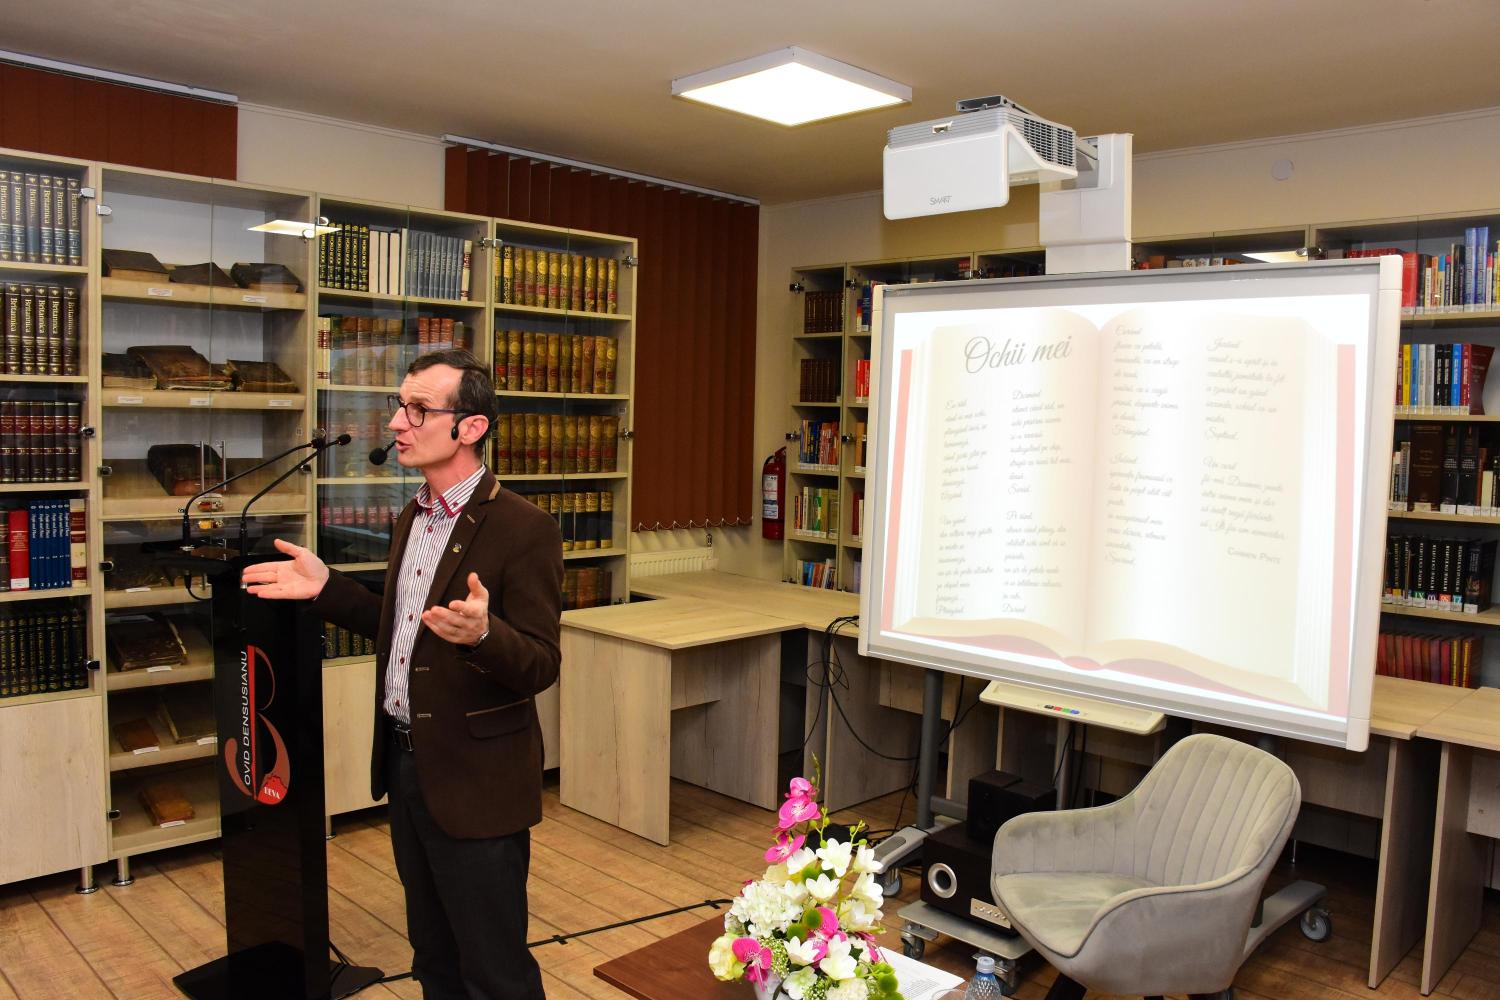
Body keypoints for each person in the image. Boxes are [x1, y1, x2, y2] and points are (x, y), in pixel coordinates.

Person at [243, 348, 562, 1000]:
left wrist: (484, 636)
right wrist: (327, 588)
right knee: (433, 958)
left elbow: (540, 663)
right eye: (400, 405)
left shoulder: (525, 529)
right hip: (406, 765)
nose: (396, 422)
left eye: (418, 409)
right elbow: (404, 632)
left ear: (470, 427)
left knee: (495, 971)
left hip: (477, 781)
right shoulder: (413, 516)